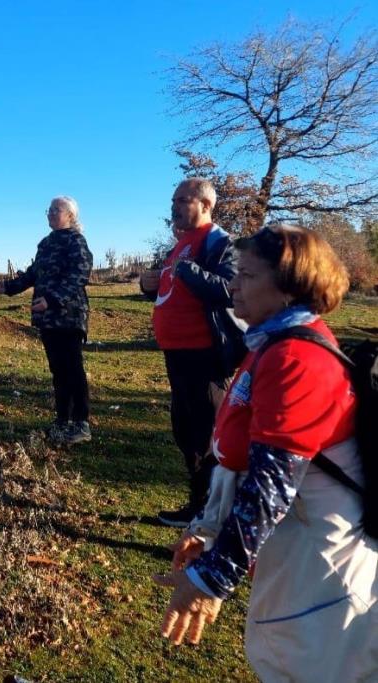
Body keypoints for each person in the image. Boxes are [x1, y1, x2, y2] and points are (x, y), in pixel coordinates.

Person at [154, 224, 377, 682]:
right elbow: (236, 454)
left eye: (248, 276)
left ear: (289, 287)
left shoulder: (298, 360)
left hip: (324, 572)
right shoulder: (266, 346)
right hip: (292, 562)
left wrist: (211, 579)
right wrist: (209, 527)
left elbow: (268, 489)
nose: (233, 284)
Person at [140, 179, 245, 527]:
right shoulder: (180, 244)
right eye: (173, 200)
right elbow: (169, 290)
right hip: (177, 353)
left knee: (209, 431)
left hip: (207, 355)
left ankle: (217, 512)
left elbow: (230, 291)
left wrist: (189, 271)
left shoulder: (220, 242)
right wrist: (147, 285)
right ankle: (199, 505)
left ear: (205, 204)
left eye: (183, 200)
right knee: (187, 430)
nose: (175, 206)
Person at [0, 196, 93, 444]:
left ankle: (81, 423)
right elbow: (32, 275)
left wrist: (52, 299)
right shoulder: (46, 244)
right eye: (48, 210)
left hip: (69, 316)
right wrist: (7, 287)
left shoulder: (76, 242)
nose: (49, 213)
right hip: (47, 318)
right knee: (58, 371)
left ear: (70, 215)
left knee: (72, 368)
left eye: (55, 209)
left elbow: (79, 275)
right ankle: (62, 421)